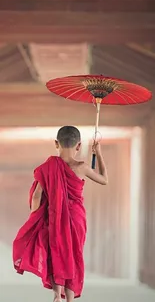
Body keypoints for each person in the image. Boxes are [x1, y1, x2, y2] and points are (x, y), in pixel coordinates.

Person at [13, 126, 108, 302]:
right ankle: (70, 298)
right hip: (77, 219)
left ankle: (57, 294)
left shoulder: (47, 167)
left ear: (56, 143)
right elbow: (104, 179)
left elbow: (36, 196)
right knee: (73, 253)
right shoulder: (82, 167)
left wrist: (35, 217)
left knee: (56, 251)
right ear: (78, 146)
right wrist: (99, 153)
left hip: (54, 217)